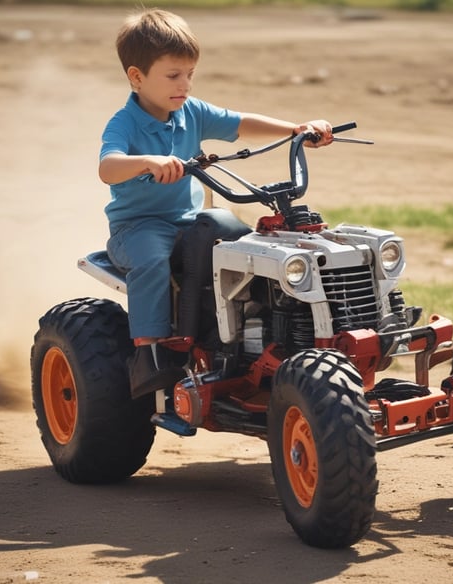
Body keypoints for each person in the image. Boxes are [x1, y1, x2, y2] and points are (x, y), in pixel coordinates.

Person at [98, 9, 334, 398]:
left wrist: (296, 129)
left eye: (190, 74)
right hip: (138, 227)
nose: (185, 84)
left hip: (191, 221)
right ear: (137, 77)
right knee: (152, 260)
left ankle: (250, 337)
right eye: (173, 75)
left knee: (245, 246)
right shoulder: (124, 123)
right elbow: (108, 167)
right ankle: (150, 353)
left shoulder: (191, 111)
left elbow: (240, 123)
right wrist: (147, 162)